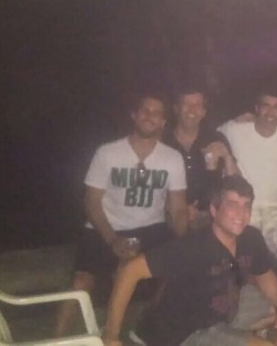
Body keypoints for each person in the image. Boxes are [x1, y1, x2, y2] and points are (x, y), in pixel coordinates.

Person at [102, 174, 277, 346]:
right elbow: (130, 270)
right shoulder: (193, 248)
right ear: (214, 209)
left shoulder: (251, 237)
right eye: (232, 205)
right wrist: (111, 336)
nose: (241, 214)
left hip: (224, 310)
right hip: (186, 332)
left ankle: (235, 336)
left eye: (246, 206)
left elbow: (265, 276)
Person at [55, 92, 188, 336]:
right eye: (145, 110)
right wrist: (112, 239)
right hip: (106, 227)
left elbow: (178, 208)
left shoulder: (172, 158)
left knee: (177, 269)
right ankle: (56, 338)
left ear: (163, 122)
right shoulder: (107, 153)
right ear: (134, 115)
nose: (149, 116)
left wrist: (186, 238)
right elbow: (91, 202)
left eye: (156, 113)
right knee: (80, 281)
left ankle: (145, 326)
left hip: (151, 228)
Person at [218, 85, 277, 344]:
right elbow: (207, 134)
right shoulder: (235, 130)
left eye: (276, 107)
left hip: (276, 209)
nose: (270, 112)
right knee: (250, 267)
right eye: (265, 105)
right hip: (246, 210)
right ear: (256, 108)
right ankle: (257, 324)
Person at [162, 85, 238, 228]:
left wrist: (227, 157)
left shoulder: (215, 138)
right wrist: (179, 211)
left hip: (209, 217)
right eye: (186, 104)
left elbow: (235, 183)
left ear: (203, 112)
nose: (192, 109)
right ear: (176, 108)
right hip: (167, 215)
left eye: (197, 105)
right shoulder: (163, 140)